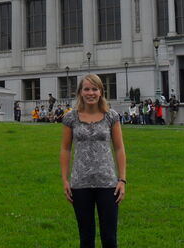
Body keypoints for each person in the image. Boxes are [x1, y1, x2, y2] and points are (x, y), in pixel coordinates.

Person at [60, 74, 126, 248]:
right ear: (80, 92)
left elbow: (119, 148)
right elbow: (65, 149)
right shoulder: (70, 118)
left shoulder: (111, 116)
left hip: (108, 183)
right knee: (86, 238)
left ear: (101, 92)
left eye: (95, 89)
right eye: (87, 89)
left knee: (109, 238)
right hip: (80, 184)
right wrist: (65, 179)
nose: (91, 93)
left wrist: (122, 179)